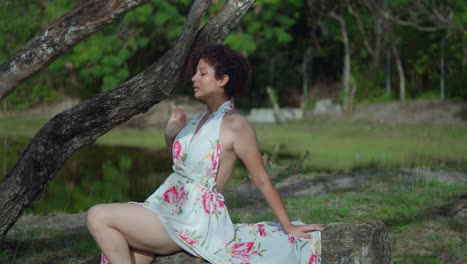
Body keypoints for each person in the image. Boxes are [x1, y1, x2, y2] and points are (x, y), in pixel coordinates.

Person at [86, 44, 323, 264]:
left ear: (223, 79)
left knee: (97, 216)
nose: (194, 78)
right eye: (195, 73)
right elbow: (183, 168)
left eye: (202, 73)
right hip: (166, 206)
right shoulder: (197, 121)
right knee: (127, 255)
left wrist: (288, 226)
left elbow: (261, 179)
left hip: (194, 219)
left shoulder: (236, 125)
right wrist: (170, 136)